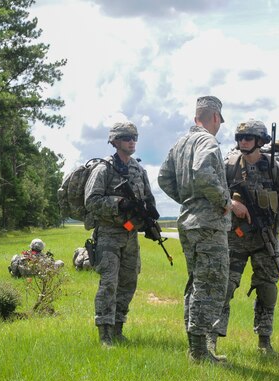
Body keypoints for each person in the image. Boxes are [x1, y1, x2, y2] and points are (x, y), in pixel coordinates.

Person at [209, 119, 279, 355]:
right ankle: (211, 339)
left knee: (267, 290)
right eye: (240, 138)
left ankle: (264, 341)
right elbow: (214, 192)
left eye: (248, 138)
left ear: (260, 141)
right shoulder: (229, 166)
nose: (243, 142)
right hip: (234, 238)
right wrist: (231, 204)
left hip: (266, 240)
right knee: (224, 287)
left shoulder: (275, 170)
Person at [158, 96, 231, 363]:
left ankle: (195, 347)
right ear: (215, 118)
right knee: (209, 284)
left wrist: (188, 200)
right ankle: (199, 352)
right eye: (219, 121)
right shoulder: (207, 141)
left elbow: (163, 178)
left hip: (188, 221)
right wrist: (223, 200)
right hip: (208, 224)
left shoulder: (180, 143)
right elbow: (201, 170)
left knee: (196, 283)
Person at [84, 121, 158, 346]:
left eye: (134, 137)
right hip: (108, 234)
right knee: (109, 283)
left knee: (128, 282)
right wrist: (118, 203)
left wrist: (150, 221)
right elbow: (91, 201)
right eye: (126, 138)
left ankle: (118, 328)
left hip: (130, 236)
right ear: (115, 141)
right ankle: (104, 334)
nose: (131, 141)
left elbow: (147, 199)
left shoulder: (138, 169)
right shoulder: (103, 169)